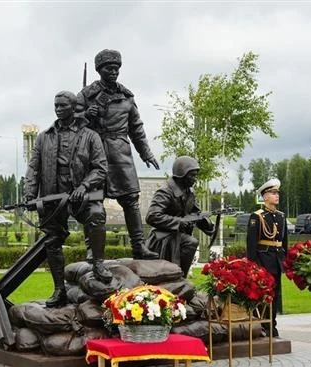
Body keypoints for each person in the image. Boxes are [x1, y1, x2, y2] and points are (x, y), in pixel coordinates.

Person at [24, 90, 112, 308]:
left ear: (74, 107)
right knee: (52, 240)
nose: (58, 109)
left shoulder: (90, 136)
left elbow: (100, 168)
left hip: (81, 194)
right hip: (53, 197)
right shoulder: (44, 137)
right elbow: (33, 169)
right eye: (56, 105)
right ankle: (59, 289)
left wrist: (84, 186)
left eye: (62, 105)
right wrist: (29, 195)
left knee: (96, 214)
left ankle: (98, 264)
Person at [76, 49, 160, 260]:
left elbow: (136, 128)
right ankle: (92, 250)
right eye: (108, 68)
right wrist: (86, 115)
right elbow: (72, 123)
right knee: (93, 202)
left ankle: (139, 247)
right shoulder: (87, 95)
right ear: (99, 70)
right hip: (95, 152)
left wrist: (146, 153)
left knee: (131, 200)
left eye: (116, 68)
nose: (113, 72)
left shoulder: (126, 97)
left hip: (121, 153)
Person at [145, 156, 214, 277]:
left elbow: (195, 213)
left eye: (195, 175)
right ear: (181, 175)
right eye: (192, 175)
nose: (195, 179)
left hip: (178, 237)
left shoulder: (189, 192)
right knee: (191, 242)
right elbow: (152, 216)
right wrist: (179, 222)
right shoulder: (165, 191)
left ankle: (180, 278)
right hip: (163, 239)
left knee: (190, 242)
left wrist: (205, 222)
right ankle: (179, 277)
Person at [246, 178, 288, 338]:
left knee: (275, 295)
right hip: (263, 261)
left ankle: (272, 324)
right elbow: (251, 244)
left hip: (276, 261)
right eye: (272, 193)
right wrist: (253, 266)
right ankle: (265, 325)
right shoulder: (257, 216)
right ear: (265, 196)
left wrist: (284, 260)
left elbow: (284, 242)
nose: (276, 195)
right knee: (264, 295)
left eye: (277, 192)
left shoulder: (281, 216)